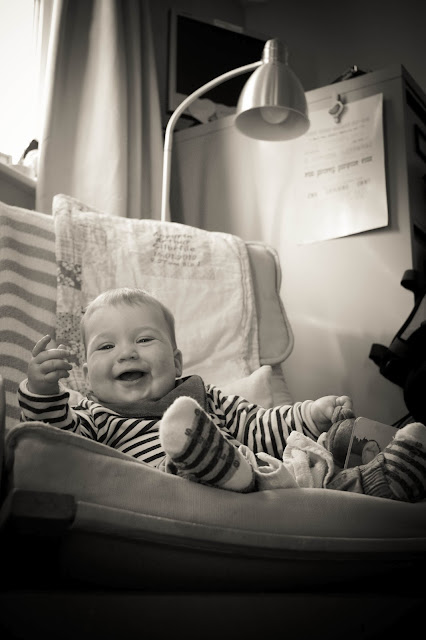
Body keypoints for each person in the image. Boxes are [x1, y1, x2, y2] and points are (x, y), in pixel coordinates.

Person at [18, 287, 426, 501]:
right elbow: (58, 444)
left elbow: (261, 424)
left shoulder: (203, 398)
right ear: (86, 377)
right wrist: (42, 390)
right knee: (262, 469)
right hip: (171, 498)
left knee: (314, 457)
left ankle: (383, 478)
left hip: (257, 484)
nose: (126, 353)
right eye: (106, 346)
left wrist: (311, 414)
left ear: (176, 362)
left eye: (144, 339)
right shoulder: (93, 416)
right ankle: (201, 460)